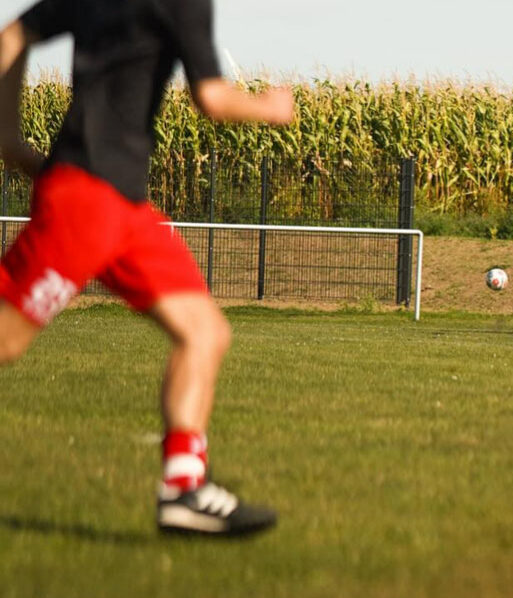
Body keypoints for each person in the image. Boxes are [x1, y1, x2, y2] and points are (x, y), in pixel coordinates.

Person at [0, 0, 294, 536]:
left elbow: (13, 35)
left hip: (125, 208)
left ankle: (184, 491)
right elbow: (212, 98)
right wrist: (271, 108)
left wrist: (7, 137)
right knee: (6, 340)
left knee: (204, 332)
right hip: (86, 201)